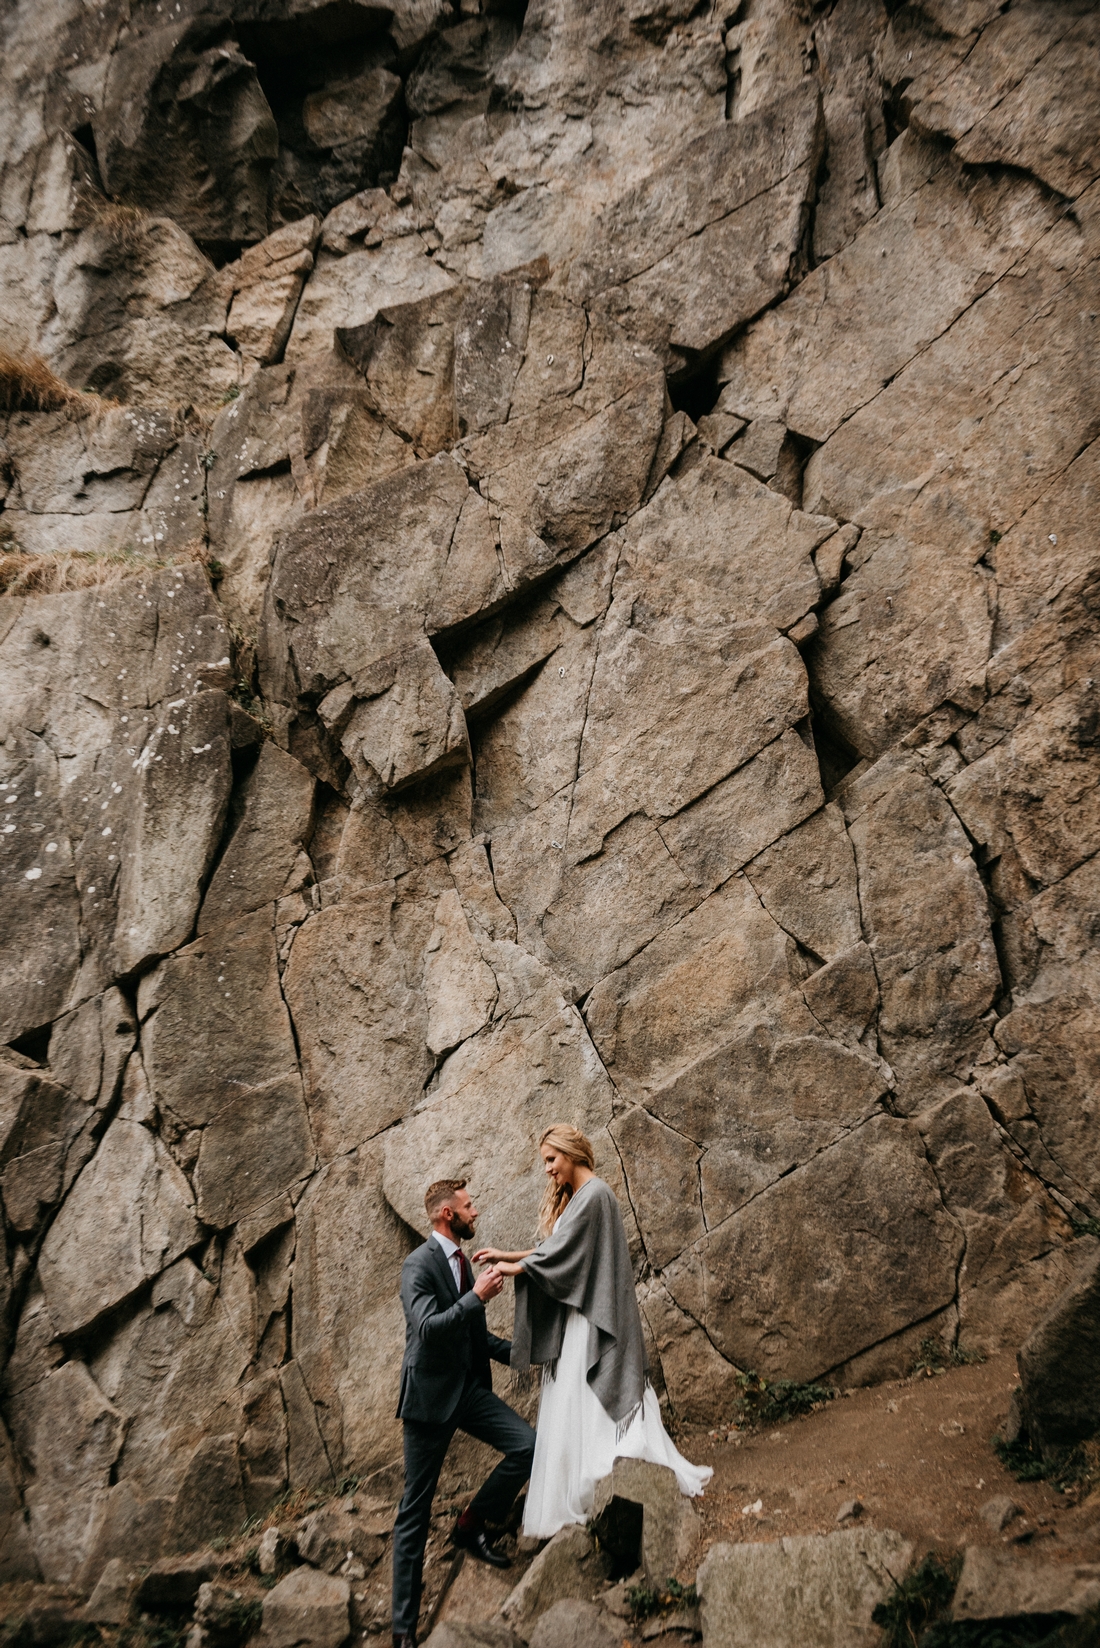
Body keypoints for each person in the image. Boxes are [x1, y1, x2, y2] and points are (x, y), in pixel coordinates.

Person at [473, 1123, 712, 1539]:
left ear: (570, 1153)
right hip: (578, 1315)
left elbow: (566, 1253)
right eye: (545, 1162)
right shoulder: (581, 1196)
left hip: (590, 1317)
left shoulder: (596, 1194)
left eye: (551, 1159)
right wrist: (508, 1255)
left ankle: (607, 1477)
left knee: (583, 1394)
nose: (548, 1169)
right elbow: (556, 1248)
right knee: (571, 1399)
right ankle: (591, 1482)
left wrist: (516, 1268)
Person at [391, 1178, 535, 1648]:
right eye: (469, 1206)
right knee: (415, 1511)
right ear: (447, 1214)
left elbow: (478, 1338)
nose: (476, 1212)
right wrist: (478, 1297)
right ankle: (403, 1630)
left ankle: (470, 1526)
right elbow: (428, 1329)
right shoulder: (418, 1264)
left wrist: (531, 1355)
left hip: (468, 1391)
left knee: (528, 1446)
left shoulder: (464, 1265)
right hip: (429, 1400)